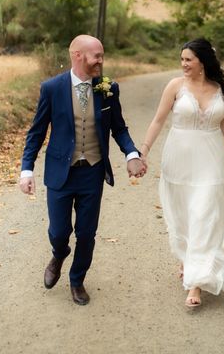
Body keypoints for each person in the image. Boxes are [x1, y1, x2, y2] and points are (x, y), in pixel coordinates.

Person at [19, 34, 146, 306]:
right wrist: (26, 170)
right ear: (77, 55)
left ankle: (77, 280)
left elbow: (119, 128)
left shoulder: (107, 87)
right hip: (60, 173)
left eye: (102, 55)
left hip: (92, 172)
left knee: (87, 233)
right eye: (96, 55)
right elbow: (36, 132)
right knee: (59, 232)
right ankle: (59, 253)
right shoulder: (52, 88)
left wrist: (132, 154)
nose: (101, 60)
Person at [140, 38, 224, 308]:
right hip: (178, 160)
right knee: (182, 216)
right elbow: (158, 119)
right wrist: (143, 151)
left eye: (188, 60)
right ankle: (188, 259)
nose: (183, 64)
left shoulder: (218, 89)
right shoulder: (175, 86)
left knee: (204, 214)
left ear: (202, 61)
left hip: (210, 161)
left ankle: (195, 284)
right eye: (181, 59)